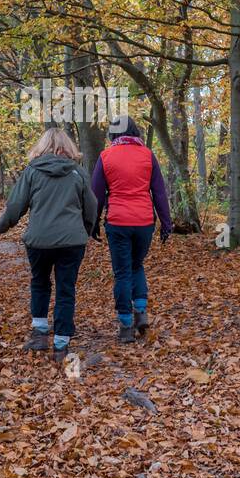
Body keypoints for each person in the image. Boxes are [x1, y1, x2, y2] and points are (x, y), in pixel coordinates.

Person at [0, 127, 97, 362]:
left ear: (42, 146)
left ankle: (39, 334)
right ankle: (61, 344)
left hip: (38, 241)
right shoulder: (78, 173)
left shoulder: (32, 172)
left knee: (39, 282)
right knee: (66, 289)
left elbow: (16, 206)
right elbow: (91, 207)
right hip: (72, 242)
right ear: (67, 147)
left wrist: (0, 227)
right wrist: (85, 231)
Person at [90, 115, 172, 344]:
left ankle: (126, 325)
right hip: (144, 222)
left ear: (113, 134)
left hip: (118, 222)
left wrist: (93, 222)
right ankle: (141, 313)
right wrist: (166, 223)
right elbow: (159, 192)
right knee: (137, 266)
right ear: (135, 131)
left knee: (122, 272)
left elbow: (96, 195)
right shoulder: (147, 155)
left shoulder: (106, 157)